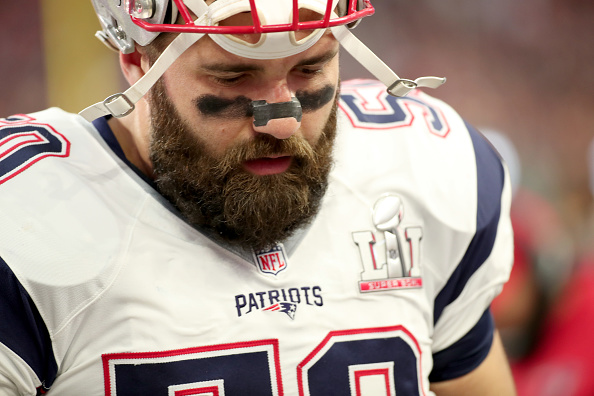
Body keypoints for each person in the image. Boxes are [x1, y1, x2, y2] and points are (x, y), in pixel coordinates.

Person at [0, 0, 516, 394]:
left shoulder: (424, 166)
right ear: (135, 58)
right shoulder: (25, 221)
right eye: (234, 76)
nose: (283, 119)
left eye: (309, 68)